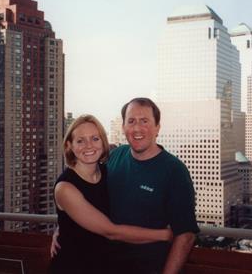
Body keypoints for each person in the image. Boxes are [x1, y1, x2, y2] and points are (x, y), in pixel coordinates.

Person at [49, 114, 172, 274]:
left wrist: (61, 227)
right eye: (80, 140)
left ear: (103, 142)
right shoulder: (66, 188)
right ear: (69, 146)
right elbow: (111, 231)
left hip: (105, 264)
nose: (89, 146)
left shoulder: (107, 171)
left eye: (95, 138)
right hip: (74, 266)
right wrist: (165, 235)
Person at [107, 97, 199, 274]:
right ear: (123, 127)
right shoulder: (115, 156)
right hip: (105, 264)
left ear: (157, 128)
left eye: (145, 121)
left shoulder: (174, 171)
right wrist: (64, 228)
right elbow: (88, 192)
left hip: (149, 267)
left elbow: (185, 235)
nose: (137, 128)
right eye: (131, 121)